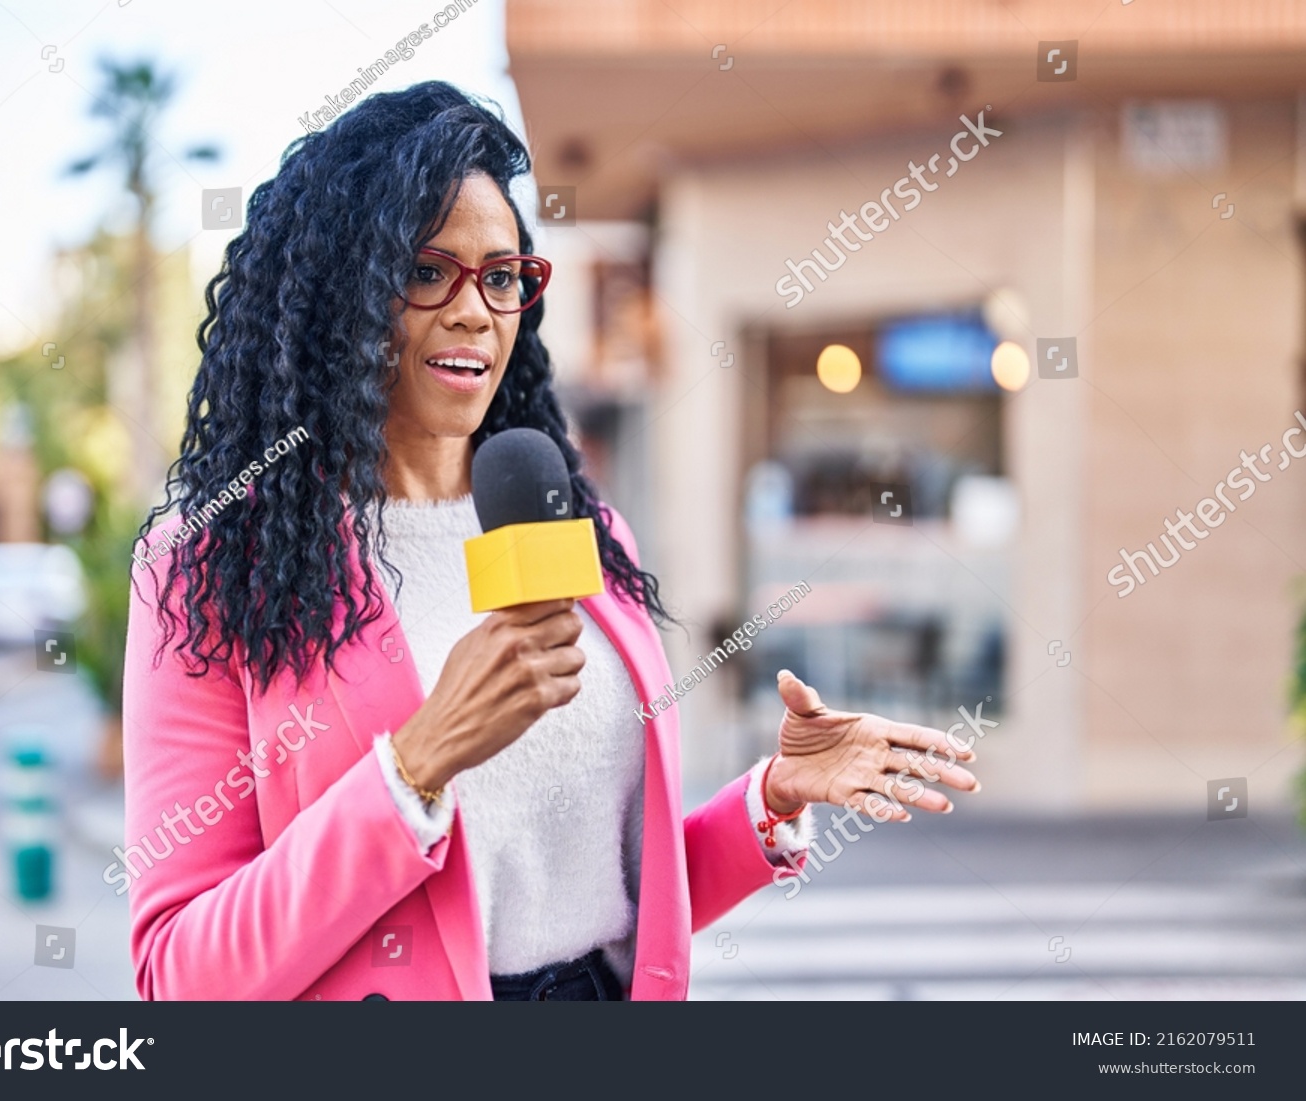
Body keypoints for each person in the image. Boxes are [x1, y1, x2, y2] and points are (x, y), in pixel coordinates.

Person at [121, 81, 980, 1001]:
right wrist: (415, 765)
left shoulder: (579, 526)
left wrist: (771, 798)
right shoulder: (215, 562)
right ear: (341, 293)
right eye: (426, 270)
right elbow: (181, 972)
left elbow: (611, 894)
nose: (474, 311)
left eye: (501, 276)